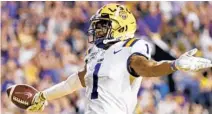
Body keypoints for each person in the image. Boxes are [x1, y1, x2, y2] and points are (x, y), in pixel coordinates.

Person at [27, 4, 212, 114]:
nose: (97, 31)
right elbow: (73, 82)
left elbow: (148, 68)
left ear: (121, 28)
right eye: (97, 26)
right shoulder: (95, 54)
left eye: (103, 26)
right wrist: (43, 96)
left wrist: (173, 65)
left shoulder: (130, 49)